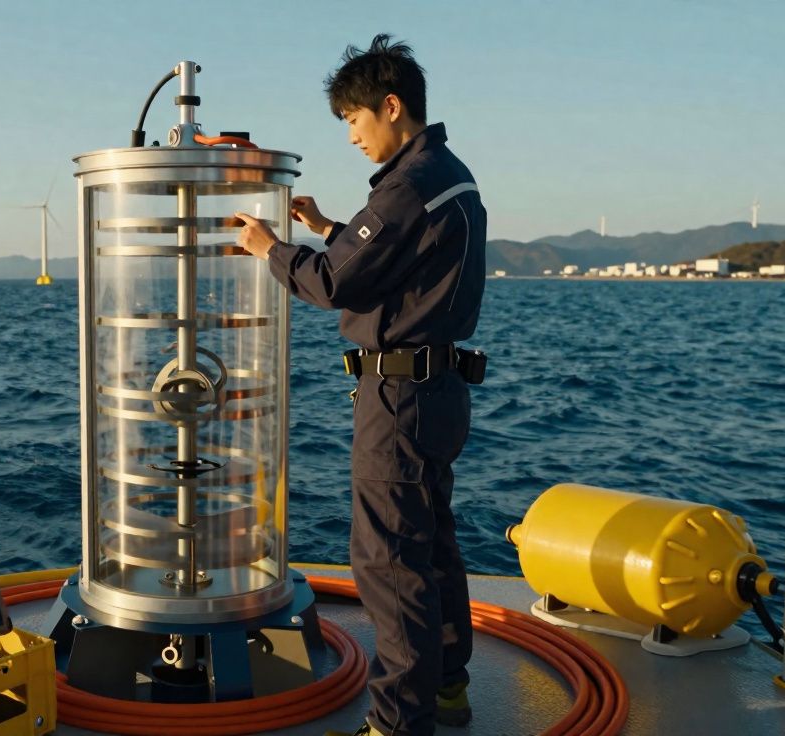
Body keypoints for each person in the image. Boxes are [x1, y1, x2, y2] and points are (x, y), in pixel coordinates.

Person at [233, 33, 487, 736]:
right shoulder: (446, 175)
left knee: (388, 562)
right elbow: (392, 262)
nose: (350, 136)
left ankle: (398, 722)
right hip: (439, 393)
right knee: (431, 545)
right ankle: (446, 689)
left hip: (399, 399)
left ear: (392, 106)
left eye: (353, 119)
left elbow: (338, 278)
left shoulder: (407, 185)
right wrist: (326, 225)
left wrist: (271, 249)